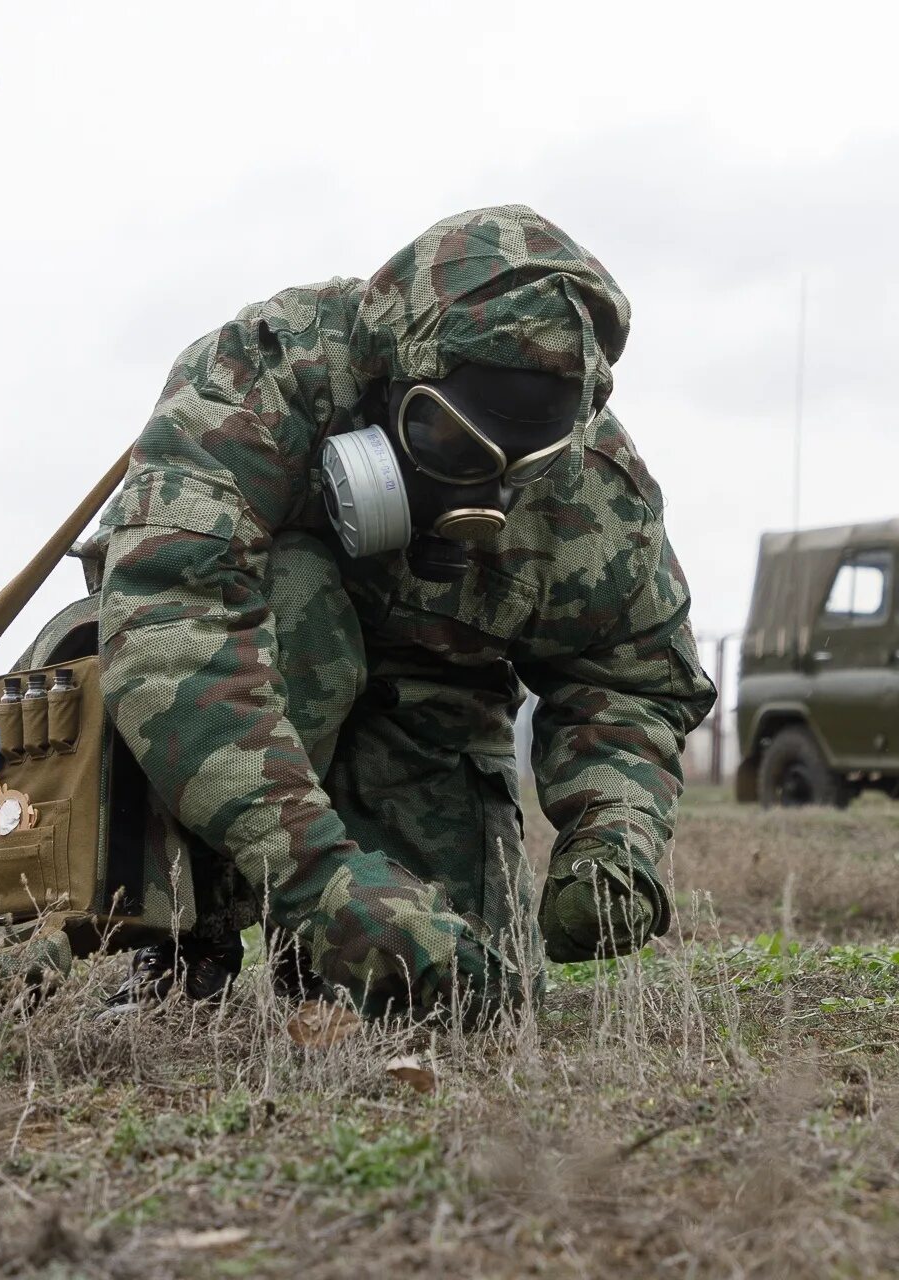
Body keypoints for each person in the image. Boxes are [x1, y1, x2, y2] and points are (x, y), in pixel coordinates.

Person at [46, 205, 714, 1025]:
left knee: (467, 994)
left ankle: (318, 962)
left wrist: (616, 838)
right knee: (296, 597)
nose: (481, 497)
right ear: (389, 379)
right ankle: (189, 947)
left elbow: (632, 677)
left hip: (432, 715)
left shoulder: (593, 495)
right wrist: (316, 879)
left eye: (519, 467)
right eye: (451, 445)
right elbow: (174, 625)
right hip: (261, 662)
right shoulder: (262, 380)